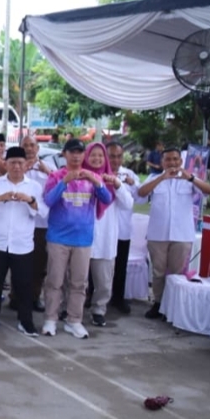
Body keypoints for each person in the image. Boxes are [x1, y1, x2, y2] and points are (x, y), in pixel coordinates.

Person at [41, 139, 113, 339]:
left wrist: (97, 182)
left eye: (80, 152)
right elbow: (48, 201)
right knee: (55, 280)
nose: (76, 156)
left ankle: (74, 320)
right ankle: (50, 319)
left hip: (83, 239)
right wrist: (65, 182)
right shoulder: (56, 176)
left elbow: (107, 199)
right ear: (64, 154)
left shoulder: (91, 177)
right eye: (72, 152)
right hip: (58, 238)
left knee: (79, 283)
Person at [136, 145, 210, 319]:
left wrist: (191, 178)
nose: (172, 162)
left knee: (176, 273)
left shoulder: (189, 179)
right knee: (158, 272)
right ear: (162, 162)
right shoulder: (153, 177)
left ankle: (172, 307)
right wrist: (162, 178)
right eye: (168, 159)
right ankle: (158, 303)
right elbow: (141, 194)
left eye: (175, 159)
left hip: (181, 234)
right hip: (158, 234)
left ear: (181, 161)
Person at [0, 147, 46, 335]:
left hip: (22, 244)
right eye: (12, 162)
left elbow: (45, 212)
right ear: (5, 164)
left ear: (26, 165)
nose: (16, 166)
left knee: (23, 284)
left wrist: (30, 200)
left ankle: (26, 321)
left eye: (20, 163)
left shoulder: (34, 187)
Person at [85, 143, 133, 328]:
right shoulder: (81, 176)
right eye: (93, 155)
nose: (97, 159)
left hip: (105, 239)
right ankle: (70, 309)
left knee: (104, 282)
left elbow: (128, 204)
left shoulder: (114, 181)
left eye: (100, 156)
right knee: (76, 280)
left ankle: (98, 310)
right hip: (81, 237)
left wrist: (118, 185)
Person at [21, 135, 54, 312]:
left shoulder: (49, 167)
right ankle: (16, 297)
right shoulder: (17, 166)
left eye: (32, 145)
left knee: (39, 263)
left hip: (42, 223)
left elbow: (59, 183)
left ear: (38, 148)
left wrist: (47, 171)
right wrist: (22, 170)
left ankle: (34, 296)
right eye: (25, 145)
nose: (29, 149)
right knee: (20, 263)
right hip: (21, 221)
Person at [106, 142, 140, 314]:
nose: (115, 160)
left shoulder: (129, 174)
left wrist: (132, 184)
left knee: (120, 266)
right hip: (103, 229)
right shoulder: (99, 173)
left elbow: (140, 199)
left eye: (119, 156)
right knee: (97, 263)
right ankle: (92, 296)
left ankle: (118, 298)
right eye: (111, 156)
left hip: (122, 229)